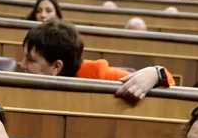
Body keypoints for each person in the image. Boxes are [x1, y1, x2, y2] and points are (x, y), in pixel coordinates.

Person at [20, 20, 175, 101]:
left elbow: (171, 86)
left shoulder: (100, 75)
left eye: (30, 60)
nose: (22, 64)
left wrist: (156, 73)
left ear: (56, 67)